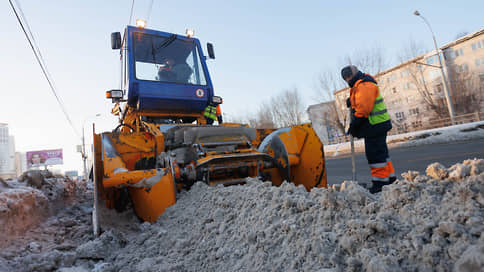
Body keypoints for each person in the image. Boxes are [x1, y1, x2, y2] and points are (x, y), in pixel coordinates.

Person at [341, 65, 396, 193]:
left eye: (348, 75)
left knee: (375, 155)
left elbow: (364, 109)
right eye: (345, 77)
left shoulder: (364, 85)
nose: (347, 79)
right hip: (377, 125)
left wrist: (354, 125)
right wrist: (352, 100)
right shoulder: (360, 84)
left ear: (354, 73)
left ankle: (380, 184)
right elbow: (361, 102)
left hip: (374, 125)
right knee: (382, 155)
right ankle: (390, 179)